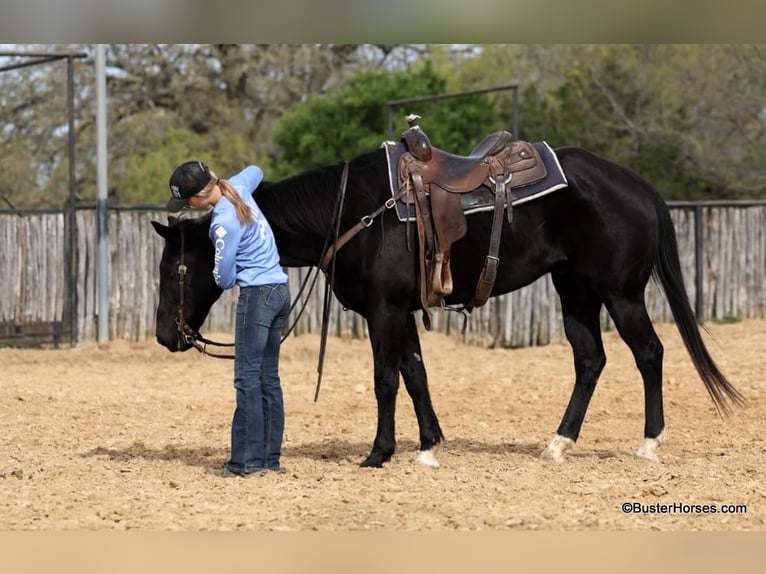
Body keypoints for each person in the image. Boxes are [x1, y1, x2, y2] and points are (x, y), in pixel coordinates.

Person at [167, 160, 290, 477]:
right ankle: (269, 459)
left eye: (186, 202)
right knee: (269, 378)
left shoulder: (222, 221)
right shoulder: (238, 185)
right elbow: (258, 169)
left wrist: (229, 275)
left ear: (196, 198)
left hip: (257, 296)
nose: (189, 207)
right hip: (280, 290)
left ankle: (245, 461)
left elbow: (222, 276)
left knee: (247, 378)